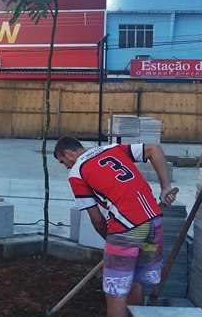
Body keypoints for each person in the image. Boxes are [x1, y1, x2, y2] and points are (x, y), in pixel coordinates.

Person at [54, 136, 177, 317]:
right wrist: (166, 187)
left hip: (126, 227)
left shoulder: (77, 173)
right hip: (153, 222)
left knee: (115, 291)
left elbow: (96, 219)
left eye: (63, 162)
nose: (66, 167)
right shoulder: (112, 148)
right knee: (135, 280)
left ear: (68, 153)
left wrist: (113, 243)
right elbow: (153, 148)